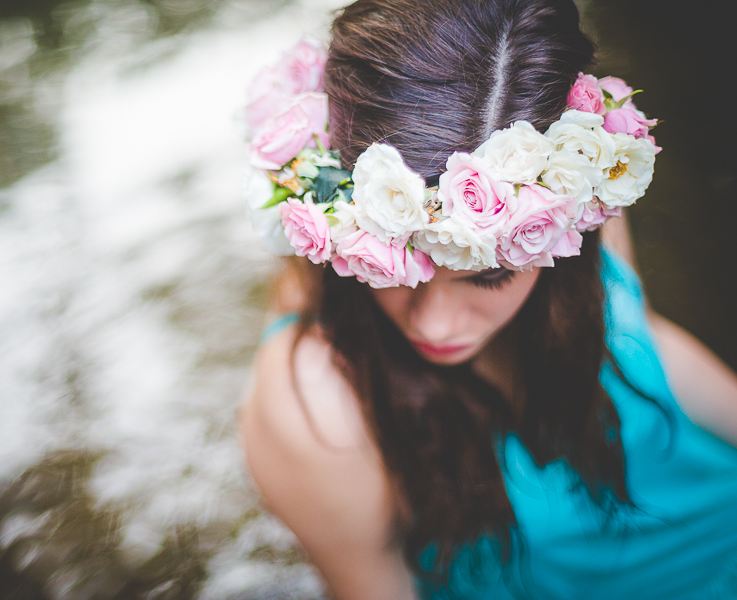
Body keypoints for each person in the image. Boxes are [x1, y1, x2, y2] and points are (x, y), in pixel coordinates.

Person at [239, 0, 737, 598]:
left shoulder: (567, 194)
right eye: (397, 269)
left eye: (489, 277)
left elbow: (636, 334)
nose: (434, 325)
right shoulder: (318, 414)